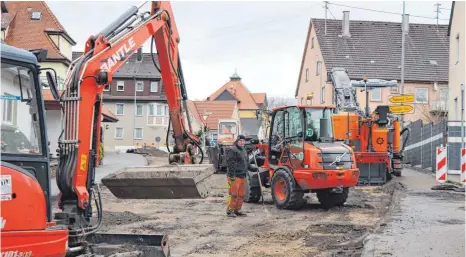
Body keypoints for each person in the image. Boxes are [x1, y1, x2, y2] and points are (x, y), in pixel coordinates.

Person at [225, 134, 253, 217]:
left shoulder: (243, 150)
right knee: (233, 194)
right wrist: (232, 175)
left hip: (242, 175)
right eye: (240, 141)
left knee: (241, 195)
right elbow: (230, 164)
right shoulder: (232, 150)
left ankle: (237, 210)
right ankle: (230, 211)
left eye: (243, 141)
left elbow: (246, 163)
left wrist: (253, 168)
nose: (242, 142)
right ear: (237, 141)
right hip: (234, 176)